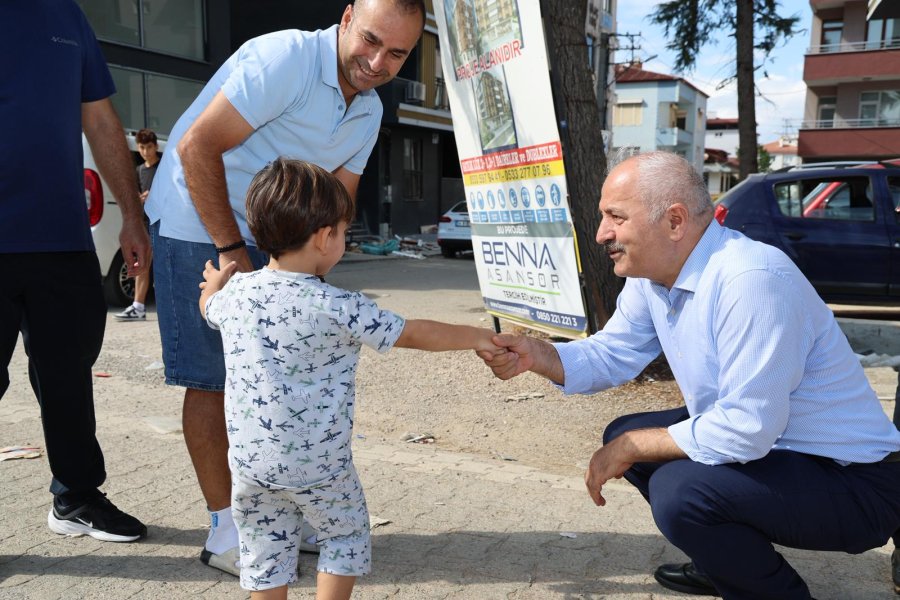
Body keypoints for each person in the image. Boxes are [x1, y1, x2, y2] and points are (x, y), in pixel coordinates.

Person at [479, 151, 900, 600]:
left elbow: (746, 428)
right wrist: (538, 355)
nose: (602, 233)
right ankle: (726, 562)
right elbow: (615, 352)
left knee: (680, 491)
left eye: (615, 217)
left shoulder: (750, 278)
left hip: (856, 484)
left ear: (675, 221)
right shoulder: (653, 275)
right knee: (628, 433)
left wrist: (635, 445)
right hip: (781, 449)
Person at [144, 0, 425, 575]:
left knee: (273, 376)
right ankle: (227, 527)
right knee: (213, 382)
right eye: (370, 40)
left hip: (277, 237)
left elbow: (335, 206)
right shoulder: (286, 59)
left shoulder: (368, 110)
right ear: (346, 18)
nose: (377, 62)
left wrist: (313, 296)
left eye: (396, 53)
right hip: (201, 222)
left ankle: (273, 517)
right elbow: (197, 146)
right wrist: (231, 253)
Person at [199, 158, 500, 599]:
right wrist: (478, 337)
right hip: (322, 468)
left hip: (250, 466)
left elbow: (207, 307)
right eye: (342, 232)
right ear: (324, 238)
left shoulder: (237, 295)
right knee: (344, 537)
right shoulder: (340, 306)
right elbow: (413, 333)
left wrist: (213, 284)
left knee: (264, 549)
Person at [0, 1, 149, 542]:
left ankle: (76, 497)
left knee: (67, 376)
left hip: (61, 240)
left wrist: (132, 216)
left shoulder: (66, 14)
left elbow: (101, 118)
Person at [115, 128, 160, 321]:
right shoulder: (139, 170)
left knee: (163, 266)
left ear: (156, 146)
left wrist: (155, 194)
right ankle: (138, 306)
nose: (145, 151)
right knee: (142, 263)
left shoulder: (164, 167)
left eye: (149, 147)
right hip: (144, 223)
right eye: (142, 147)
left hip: (162, 223)